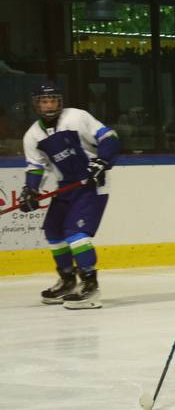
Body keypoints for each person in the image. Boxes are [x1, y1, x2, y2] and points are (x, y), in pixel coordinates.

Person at [18, 80, 121, 309]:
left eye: (53, 100)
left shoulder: (77, 117)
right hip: (66, 186)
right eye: (44, 101)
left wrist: (102, 161)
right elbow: (36, 167)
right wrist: (31, 190)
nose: (49, 105)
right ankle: (67, 280)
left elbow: (109, 137)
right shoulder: (32, 135)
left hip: (92, 184)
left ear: (60, 101)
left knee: (76, 233)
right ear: (36, 104)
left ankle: (90, 285)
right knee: (54, 232)